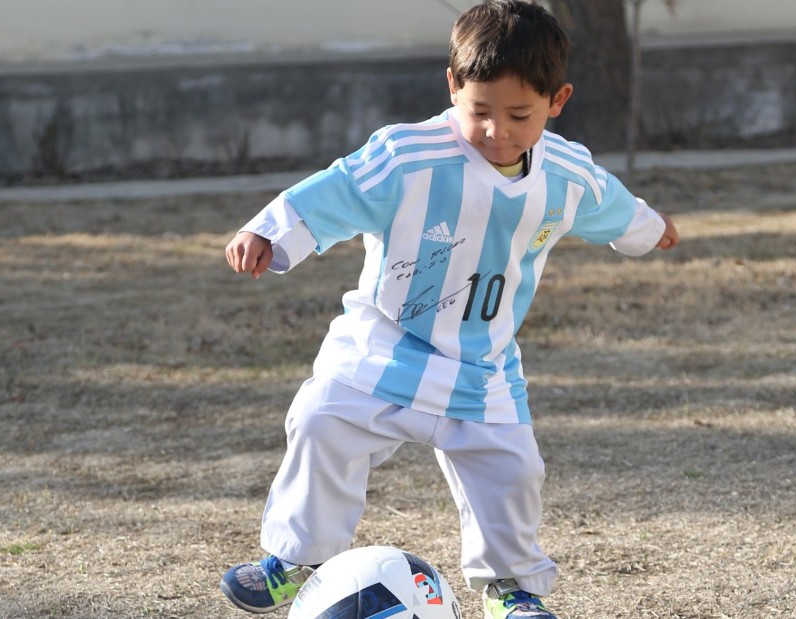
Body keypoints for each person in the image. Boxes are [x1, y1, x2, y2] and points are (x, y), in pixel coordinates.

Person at [220, 1, 679, 617]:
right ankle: (293, 558)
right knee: (320, 423)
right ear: (452, 87)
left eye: (520, 115)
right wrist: (268, 234)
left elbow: (613, 207)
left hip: (481, 365)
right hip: (383, 349)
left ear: (557, 100)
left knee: (512, 473)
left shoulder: (566, 174)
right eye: (479, 111)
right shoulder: (407, 156)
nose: (498, 131)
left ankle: (509, 589)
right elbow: (336, 191)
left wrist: (652, 230)